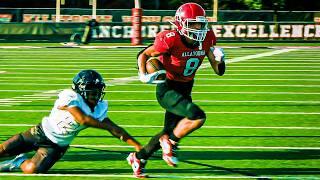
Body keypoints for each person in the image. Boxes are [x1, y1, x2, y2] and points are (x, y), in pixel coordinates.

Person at [127, 2, 226, 178]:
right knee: (197, 116)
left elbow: (218, 71)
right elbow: (144, 54)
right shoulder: (170, 38)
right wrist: (142, 73)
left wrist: (220, 59)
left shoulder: (207, 37)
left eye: (200, 23)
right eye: (193, 23)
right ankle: (171, 143)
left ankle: (138, 158)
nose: (198, 27)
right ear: (181, 23)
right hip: (167, 88)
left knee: (169, 130)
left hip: (186, 88)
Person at [0, 69, 142, 173]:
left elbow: (116, 129)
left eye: (97, 90)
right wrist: (105, 126)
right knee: (3, 149)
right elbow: (83, 119)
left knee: (32, 170)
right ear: (79, 90)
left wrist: (137, 146)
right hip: (41, 132)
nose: (95, 94)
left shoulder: (100, 108)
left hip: (57, 145)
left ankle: (18, 161)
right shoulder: (70, 96)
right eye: (91, 90)